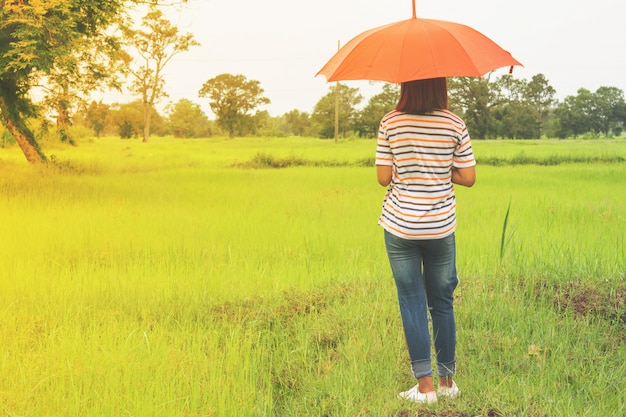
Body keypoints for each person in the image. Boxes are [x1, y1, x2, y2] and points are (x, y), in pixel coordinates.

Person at [375, 77, 476, 404]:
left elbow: (382, 178)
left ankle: (425, 388)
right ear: (440, 85)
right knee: (442, 300)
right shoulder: (454, 123)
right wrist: (439, 169)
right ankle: (447, 382)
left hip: (400, 226)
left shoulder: (390, 122)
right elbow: (469, 177)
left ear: (406, 85)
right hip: (440, 227)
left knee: (411, 300)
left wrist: (409, 167)